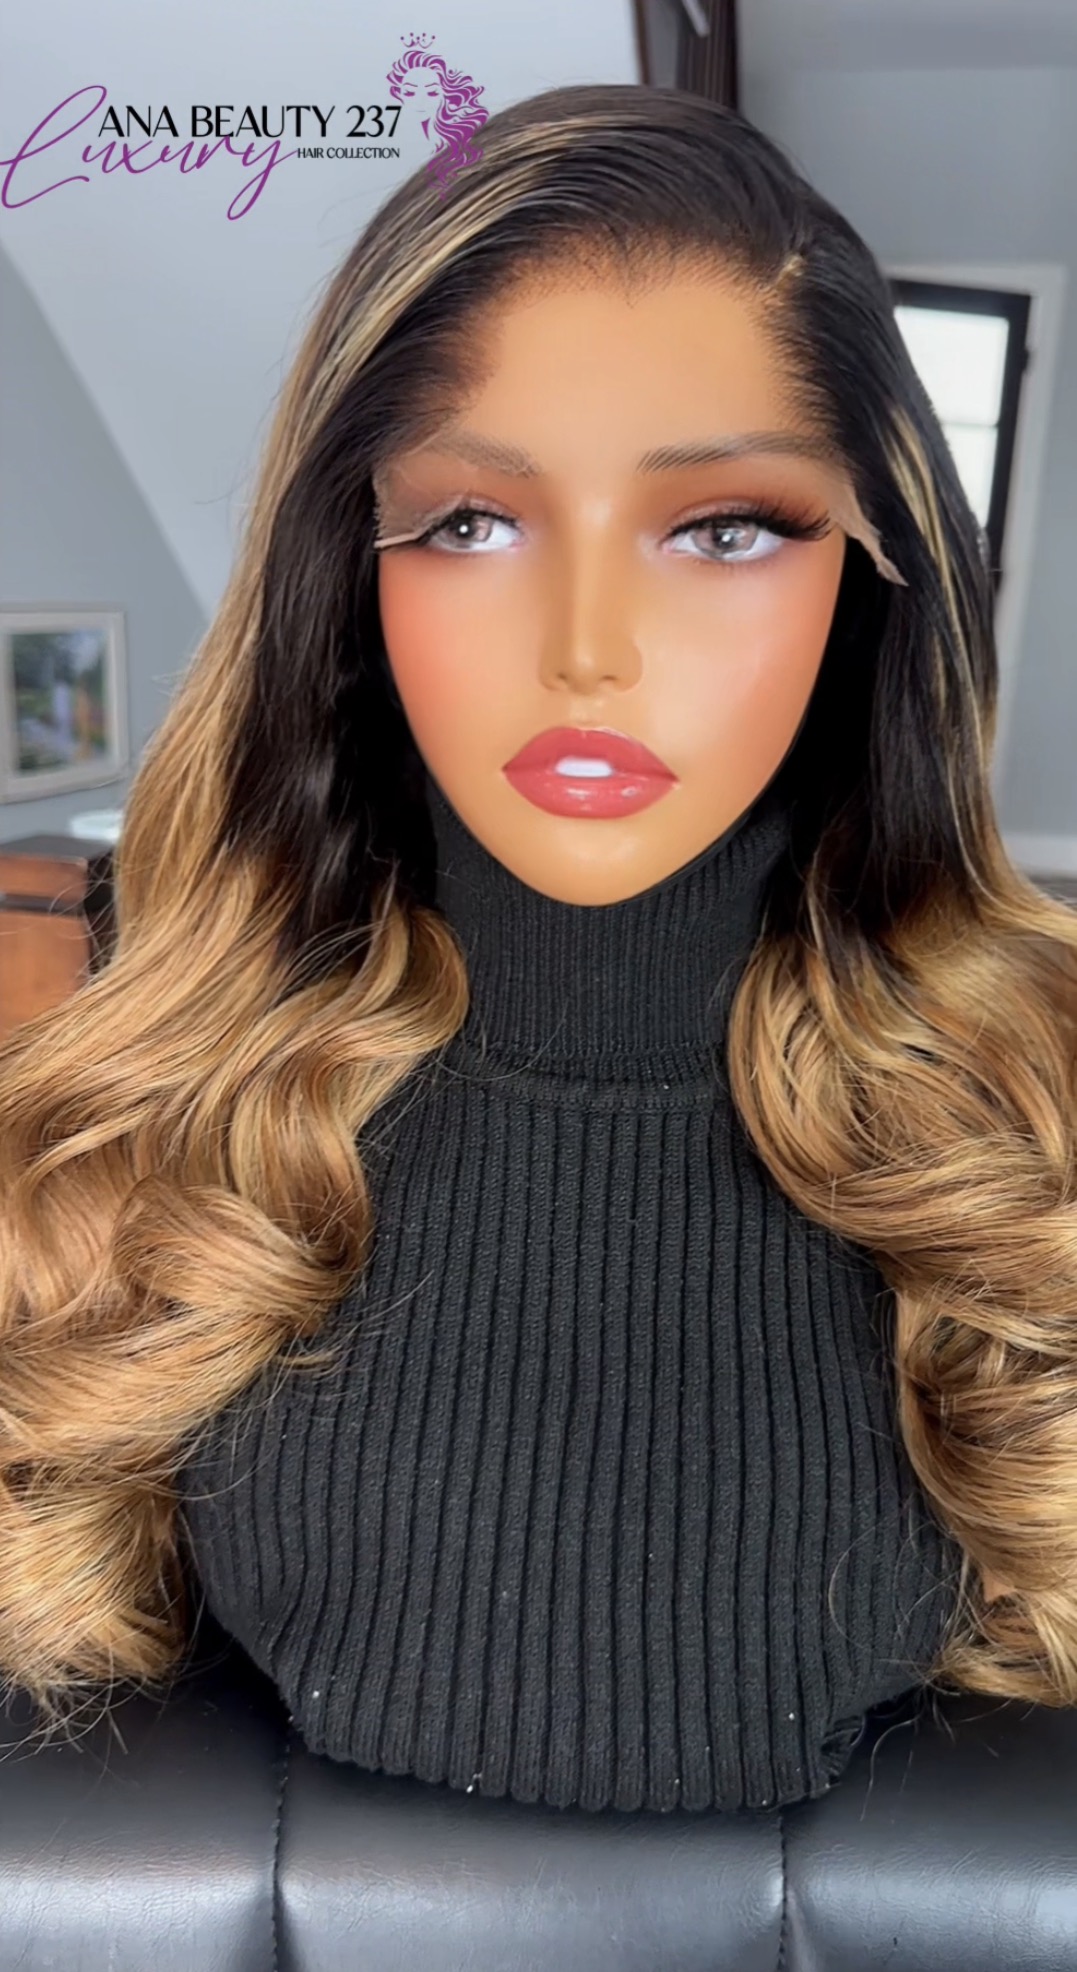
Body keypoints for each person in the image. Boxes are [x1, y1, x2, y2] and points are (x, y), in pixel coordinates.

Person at [0, 83, 1075, 1817]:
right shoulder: (130, 1115)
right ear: (352, 571)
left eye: (723, 528)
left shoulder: (1034, 1134)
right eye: (471, 523)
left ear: (873, 566)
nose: (588, 650)